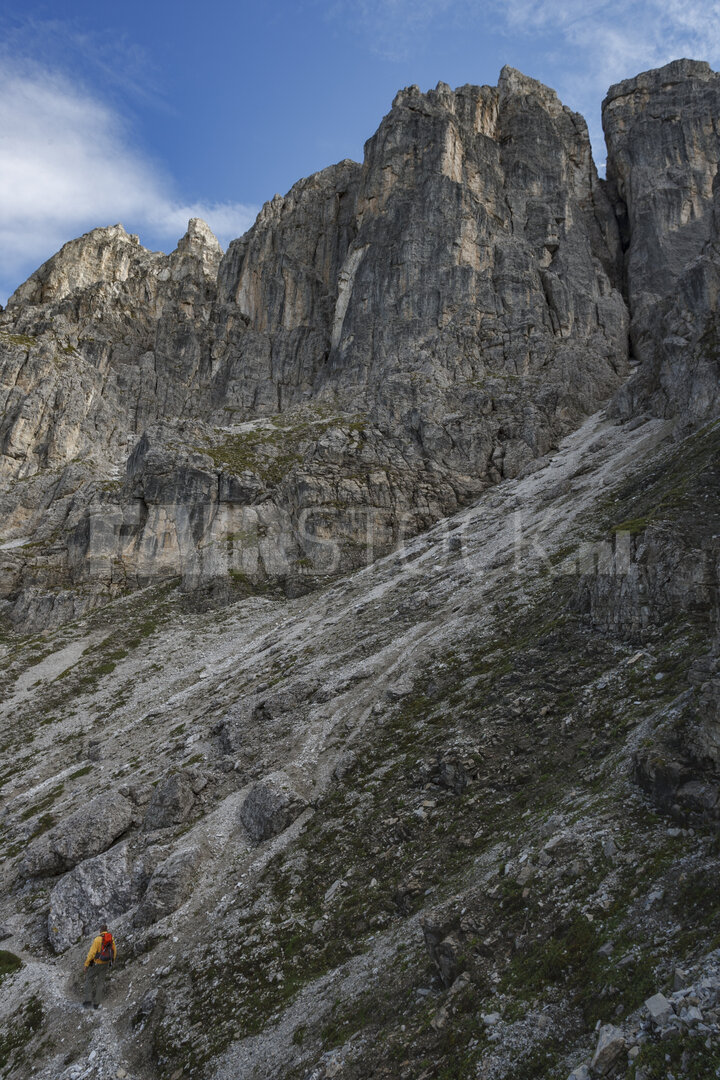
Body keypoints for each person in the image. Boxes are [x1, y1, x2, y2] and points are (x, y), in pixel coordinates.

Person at [83, 923, 116, 1008]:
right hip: (106, 963)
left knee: (89, 979)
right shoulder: (111, 938)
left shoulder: (97, 939)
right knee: (100, 982)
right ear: (107, 930)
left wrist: (86, 964)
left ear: (100, 930)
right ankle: (96, 1003)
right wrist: (112, 961)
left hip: (96, 963)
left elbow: (91, 954)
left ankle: (88, 1001)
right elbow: (114, 951)